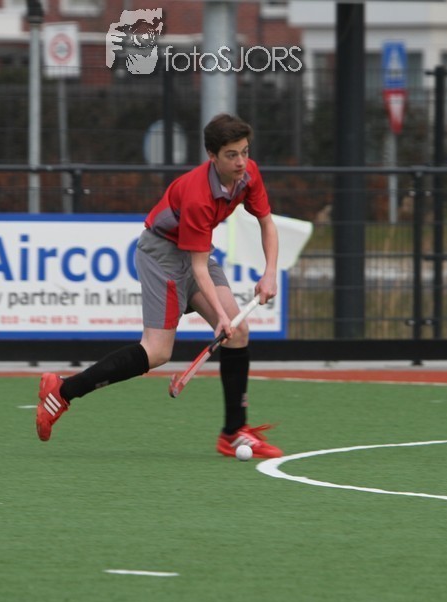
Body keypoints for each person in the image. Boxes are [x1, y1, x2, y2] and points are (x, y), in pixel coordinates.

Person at [36, 113, 283, 458]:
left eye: (244, 152)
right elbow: (198, 267)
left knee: (238, 332)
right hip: (162, 256)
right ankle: (62, 391)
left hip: (193, 253)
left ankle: (233, 432)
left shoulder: (248, 174)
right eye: (231, 155)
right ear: (212, 156)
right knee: (157, 352)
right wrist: (220, 318)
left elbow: (267, 223)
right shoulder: (198, 195)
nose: (241, 162)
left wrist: (270, 273)